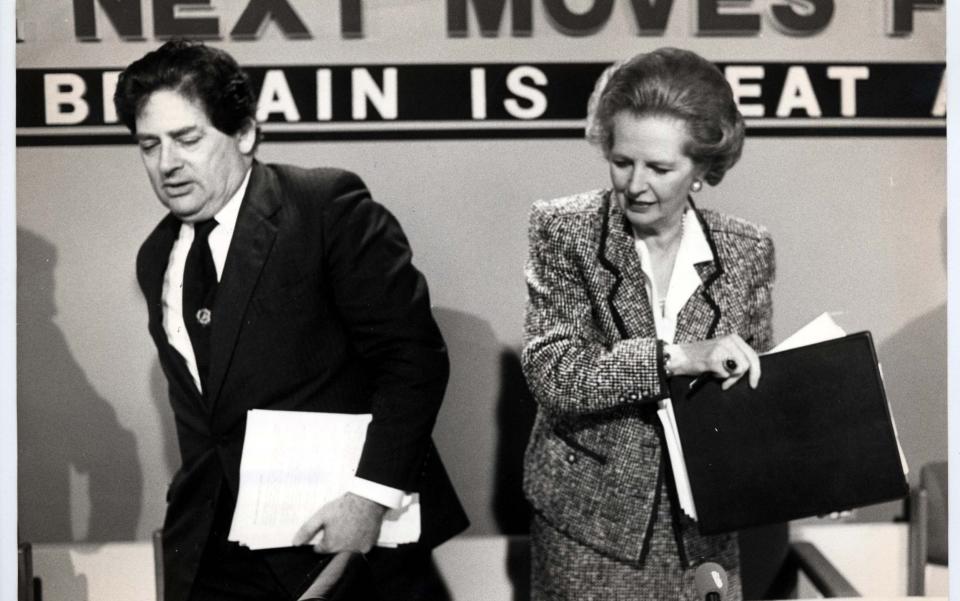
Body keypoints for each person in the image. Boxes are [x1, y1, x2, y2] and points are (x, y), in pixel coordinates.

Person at [114, 40, 468, 601]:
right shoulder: (156, 255)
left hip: (343, 549)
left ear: (246, 134)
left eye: (187, 139)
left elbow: (413, 359)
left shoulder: (325, 206)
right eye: (149, 145)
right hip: (213, 555)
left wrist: (369, 499)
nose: (167, 163)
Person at [521, 47, 774, 600]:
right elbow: (554, 373)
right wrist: (678, 357)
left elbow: (748, 392)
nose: (635, 185)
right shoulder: (564, 230)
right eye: (621, 161)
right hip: (591, 530)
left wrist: (812, 460)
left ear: (705, 167)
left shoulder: (749, 250)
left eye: (660, 168)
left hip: (704, 534)